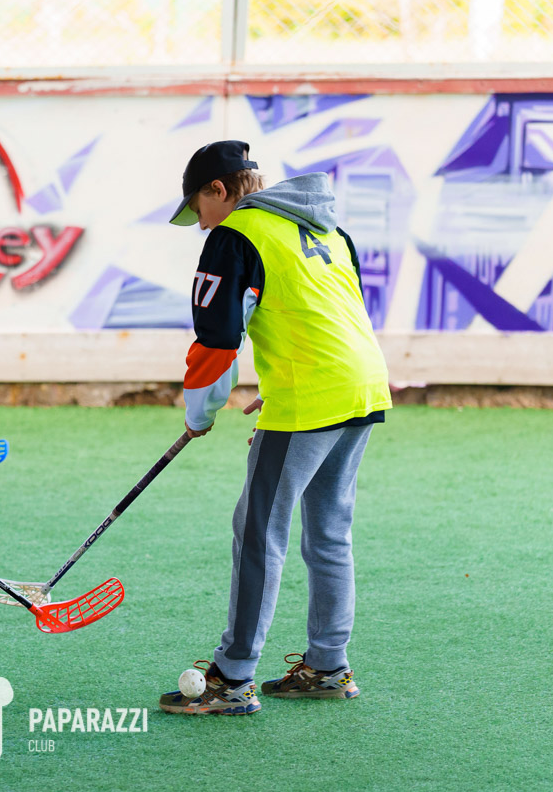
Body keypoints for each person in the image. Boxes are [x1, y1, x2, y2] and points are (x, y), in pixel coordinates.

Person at [156, 140, 391, 716]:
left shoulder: (236, 234)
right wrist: (278, 383)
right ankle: (328, 667)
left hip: (312, 397)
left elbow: (217, 339)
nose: (201, 224)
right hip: (360, 385)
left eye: (200, 209)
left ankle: (232, 678)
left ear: (219, 190)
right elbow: (327, 312)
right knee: (329, 531)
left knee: (258, 530)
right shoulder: (326, 227)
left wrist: (199, 413)